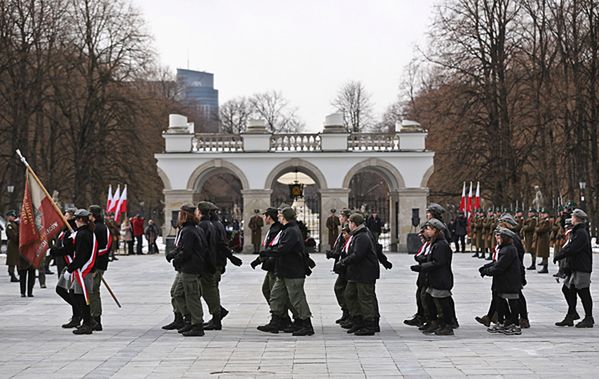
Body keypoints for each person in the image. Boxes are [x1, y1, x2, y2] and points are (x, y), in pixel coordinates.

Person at [258, 207, 314, 336]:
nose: (278, 217)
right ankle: (276, 321)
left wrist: (267, 252)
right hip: (283, 270)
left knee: (297, 298)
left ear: (285, 217)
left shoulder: (292, 231)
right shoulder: (287, 230)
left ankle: (306, 324)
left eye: (280, 215)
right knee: (276, 296)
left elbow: (283, 248)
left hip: (293, 271)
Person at [335, 213, 380, 335]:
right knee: (349, 294)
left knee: (365, 298)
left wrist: (343, 262)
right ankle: (357, 320)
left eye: (349, 222)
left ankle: (369, 324)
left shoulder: (362, 236)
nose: (348, 224)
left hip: (364, 273)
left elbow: (357, 255)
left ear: (354, 224)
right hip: (356, 273)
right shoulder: (357, 235)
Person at [167, 204, 208, 337]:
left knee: (192, 296)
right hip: (186, 267)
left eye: (180, 213)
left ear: (185, 215)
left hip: (190, 267)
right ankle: (188, 318)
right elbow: (182, 247)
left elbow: (187, 251)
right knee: (177, 293)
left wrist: (177, 259)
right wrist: (174, 254)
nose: (178, 216)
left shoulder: (190, 230)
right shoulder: (189, 229)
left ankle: (197, 324)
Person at [251, 207, 294, 331]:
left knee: (275, 293)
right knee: (268, 290)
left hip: (275, 266)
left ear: (269, 217)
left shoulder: (277, 230)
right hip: (271, 265)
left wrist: (260, 260)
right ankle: (282, 318)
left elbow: (274, 249)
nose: (264, 218)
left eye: (265, 216)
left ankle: (281, 319)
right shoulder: (274, 229)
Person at [410, 218, 455, 336]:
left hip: (441, 278)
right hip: (433, 278)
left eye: (429, 229)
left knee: (443, 303)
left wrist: (421, 267)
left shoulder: (441, 245)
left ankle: (447, 325)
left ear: (436, 231)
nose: (427, 231)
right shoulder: (434, 243)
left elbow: (438, 262)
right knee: (429, 301)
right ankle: (435, 322)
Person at [204, 203, 243, 330]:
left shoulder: (213, 226)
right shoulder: (217, 224)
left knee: (210, 290)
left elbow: (220, 244)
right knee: (210, 289)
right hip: (217, 262)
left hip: (214, 263)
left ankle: (217, 317)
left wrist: (230, 258)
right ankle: (218, 313)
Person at [554, 209, 594, 328]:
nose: (571, 218)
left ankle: (589, 317)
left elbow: (573, 248)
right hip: (574, 267)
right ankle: (571, 314)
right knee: (567, 289)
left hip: (582, 267)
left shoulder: (581, 233)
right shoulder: (577, 231)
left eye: (572, 217)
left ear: (576, 218)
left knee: (583, 291)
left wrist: (560, 255)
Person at [480, 227, 523, 335]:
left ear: (505, 238)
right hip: (503, 280)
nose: (497, 238)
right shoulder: (503, 248)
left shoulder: (509, 249)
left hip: (510, 280)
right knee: (499, 301)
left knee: (512, 302)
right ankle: (501, 322)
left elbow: (500, 266)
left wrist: (487, 271)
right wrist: (486, 267)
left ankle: (516, 325)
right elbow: (496, 262)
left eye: (499, 237)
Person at [66, 209, 98, 335]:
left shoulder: (83, 234)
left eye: (76, 219)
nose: (75, 221)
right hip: (82, 269)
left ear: (80, 220)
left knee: (83, 297)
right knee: (76, 294)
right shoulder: (86, 232)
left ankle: (87, 324)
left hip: (84, 270)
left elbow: (81, 255)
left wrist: (70, 268)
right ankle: (89, 320)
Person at [325, 208, 352, 326]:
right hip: (342, 264)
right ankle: (346, 313)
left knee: (340, 289)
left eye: (341, 216)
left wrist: (333, 254)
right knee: (342, 289)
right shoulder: (344, 229)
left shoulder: (347, 230)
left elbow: (344, 248)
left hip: (345, 265)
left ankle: (349, 313)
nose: (339, 218)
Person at [88, 205, 112, 331]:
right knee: (90, 291)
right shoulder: (92, 227)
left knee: (93, 291)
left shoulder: (101, 228)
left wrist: (93, 257)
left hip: (97, 264)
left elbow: (106, 247)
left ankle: (96, 320)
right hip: (92, 264)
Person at [404, 223, 430, 328]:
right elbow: (419, 255)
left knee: (425, 297)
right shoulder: (427, 243)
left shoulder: (437, 243)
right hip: (423, 273)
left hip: (429, 274)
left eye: (424, 231)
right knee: (420, 296)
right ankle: (421, 316)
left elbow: (432, 259)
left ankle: (430, 319)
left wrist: (421, 260)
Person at [5, 210, 20, 282]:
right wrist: (20, 237)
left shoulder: (14, 224)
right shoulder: (9, 225)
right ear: (8, 217)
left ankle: (15, 273)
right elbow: (13, 236)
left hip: (15, 245)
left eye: (14, 216)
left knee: (15, 259)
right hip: (12, 245)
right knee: (12, 261)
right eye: (12, 216)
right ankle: (12, 275)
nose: (13, 217)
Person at [535, 209, 552, 273]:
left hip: (544, 238)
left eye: (544, 213)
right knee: (543, 253)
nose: (542, 215)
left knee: (545, 253)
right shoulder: (543, 221)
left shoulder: (547, 221)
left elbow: (541, 229)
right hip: (542, 238)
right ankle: (544, 266)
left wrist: (537, 229)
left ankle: (545, 267)